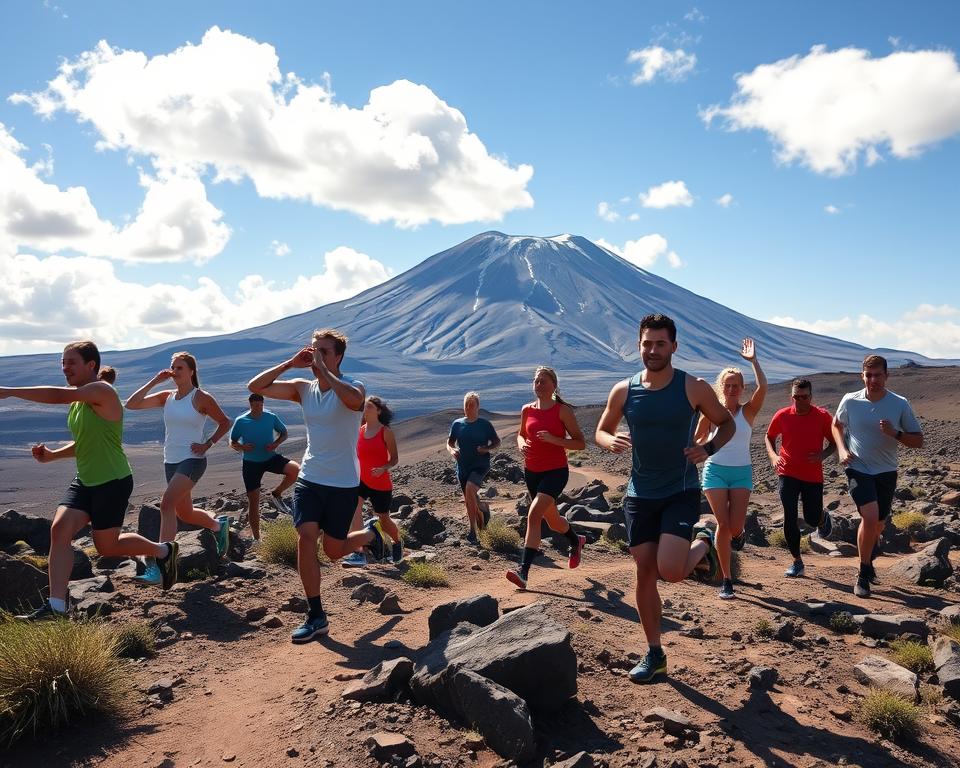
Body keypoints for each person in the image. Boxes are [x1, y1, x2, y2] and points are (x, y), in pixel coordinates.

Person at [596, 313, 734, 683]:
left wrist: (708, 447)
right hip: (639, 494)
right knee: (644, 572)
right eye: (647, 343)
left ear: (673, 346)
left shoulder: (694, 388)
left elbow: (728, 422)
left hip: (679, 490)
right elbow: (602, 429)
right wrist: (609, 441)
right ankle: (655, 653)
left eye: (660, 343)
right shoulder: (623, 390)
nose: (653, 350)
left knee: (670, 571)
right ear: (638, 345)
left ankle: (704, 540)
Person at [0, 341, 178, 619]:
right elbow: (85, 442)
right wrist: (51, 456)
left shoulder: (101, 391)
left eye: (71, 362)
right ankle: (57, 607)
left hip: (112, 481)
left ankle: (163, 551)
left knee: (107, 547)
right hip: (85, 480)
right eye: (62, 362)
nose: (64, 368)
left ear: (91, 365)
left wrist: (9, 392)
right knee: (59, 531)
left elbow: (57, 396)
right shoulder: (80, 402)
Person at [248, 329, 388, 643]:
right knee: (306, 536)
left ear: (338, 356)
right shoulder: (302, 388)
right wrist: (288, 364)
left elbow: (354, 402)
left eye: (324, 352)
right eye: (314, 351)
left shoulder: (353, 385)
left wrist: (324, 372)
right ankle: (316, 615)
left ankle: (369, 534)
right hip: (310, 478)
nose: (317, 357)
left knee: (334, 550)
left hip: (342, 482)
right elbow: (255, 387)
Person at [125, 352, 232, 584]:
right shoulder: (167, 397)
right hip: (170, 460)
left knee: (166, 504)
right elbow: (131, 404)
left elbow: (225, 422)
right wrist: (155, 381)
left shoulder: (201, 397)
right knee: (185, 513)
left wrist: (208, 444)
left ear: (192, 371)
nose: (174, 371)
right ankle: (218, 525)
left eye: (179, 368)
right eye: (172, 367)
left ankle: (163, 567)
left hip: (192, 459)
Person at [833, 355, 923, 598]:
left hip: (886, 471)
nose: (873, 380)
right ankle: (863, 574)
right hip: (857, 467)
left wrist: (895, 433)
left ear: (886, 376)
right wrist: (842, 449)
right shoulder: (850, 401)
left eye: (878, 375)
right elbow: (836, 425)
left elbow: (919, 441)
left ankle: (870, 552)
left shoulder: (899, 403)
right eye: (868, 375)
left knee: (879, 523)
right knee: (870, 516)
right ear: (862, 376)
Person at [694, 339, 767, 599]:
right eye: (728, 385)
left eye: (737, 385)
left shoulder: (748, 412)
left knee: (734, 527)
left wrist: (754, 361)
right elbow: (698, 440)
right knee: (723, 524)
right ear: (721, 387)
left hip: (741, 472)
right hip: (715, 471)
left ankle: (740, 535)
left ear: (742, 388)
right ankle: (726, 579)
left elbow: (764, 387)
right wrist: (705, 446)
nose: (733, 388)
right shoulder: (710, 413)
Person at [507, 366, 587, 589]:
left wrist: (555, 440)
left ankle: (523, 572)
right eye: (536, 381)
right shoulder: (527, 410)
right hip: (531, 471)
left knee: (533, 515)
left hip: (556, 471)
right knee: (552, 521)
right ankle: (575, 540)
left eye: (543, 381)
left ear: (554, 385)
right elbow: (521, 434)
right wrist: (522, 444)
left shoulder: (562, 411)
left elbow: (580, 442)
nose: (539, 385)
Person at [765, 378, 837, 579]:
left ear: (811, 397)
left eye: (804, 397)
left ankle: (822, 518)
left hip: (812, 475)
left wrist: (822, 455)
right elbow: (769, 437)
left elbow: (834, 441)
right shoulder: (783, 415)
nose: (800, 401)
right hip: (787, 472)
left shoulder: (822, 417)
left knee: (811, 518)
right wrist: (773, 456)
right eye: (796, 397)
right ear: (792, 396)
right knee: (789, 515)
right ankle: (797, 561)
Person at [342, 396, 403, 567]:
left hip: (380, 483)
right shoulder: (360, 430)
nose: (365, 410)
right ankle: (359, 551)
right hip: (361, 480)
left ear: (378, 411)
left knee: (383, 519)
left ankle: (397, 542)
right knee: (355, 508)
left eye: (369, 407)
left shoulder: (386, 432)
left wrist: (383, 468)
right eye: (365, 407)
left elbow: (395, 458)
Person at [229, 393, 300, 540]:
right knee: (254, 502)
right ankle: (256, 538)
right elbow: (232, 442)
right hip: (251, 464)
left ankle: (276, 493)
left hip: (270, 457)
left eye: (261, 405)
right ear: (250, 405)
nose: (259, 408)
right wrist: (242, 447)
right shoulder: (241, 421)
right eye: (255, 406)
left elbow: (284, 433)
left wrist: (276, 443)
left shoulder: (270, 417)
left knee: (295, 470)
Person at [447, 392, 501, 544]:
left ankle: (472, 532)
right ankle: (482, 509)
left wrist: (486, 449)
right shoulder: (457, 424)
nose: (469, 408)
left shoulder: (484, 425)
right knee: (468, 498)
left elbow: (497, 442)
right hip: (463, 466)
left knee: (470, 489)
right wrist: (452, 450)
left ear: (478, 407)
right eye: (466, 405)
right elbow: (450, 442)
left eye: (472, 405)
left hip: (480, 465)